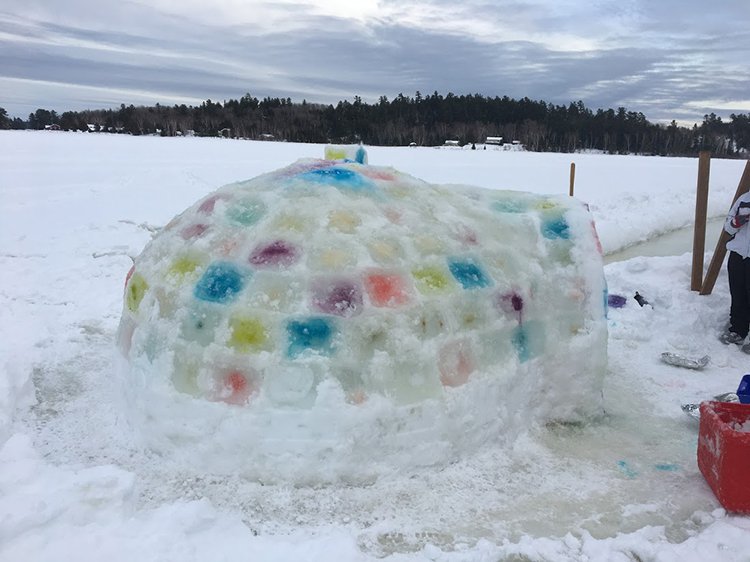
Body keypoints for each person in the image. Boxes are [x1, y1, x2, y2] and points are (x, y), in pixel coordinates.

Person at [721, 191, 750, 352]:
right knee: (738, 294)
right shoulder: (743, 199)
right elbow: (728, 227)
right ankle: (738, 330)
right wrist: (737, 222)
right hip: (738, 255)